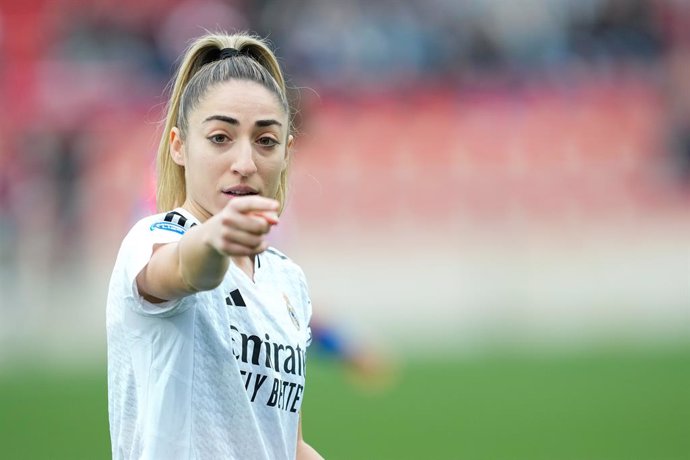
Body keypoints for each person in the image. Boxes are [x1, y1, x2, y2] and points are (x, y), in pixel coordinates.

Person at [106, 32, 323, 460]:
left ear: (286, 152)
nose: (244, 163)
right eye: (221, 137)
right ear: (179, 146)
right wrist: (215, 239)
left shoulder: (287, 279)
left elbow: (286, 445)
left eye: (266, 141)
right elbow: (185, 270)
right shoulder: (153, 238)